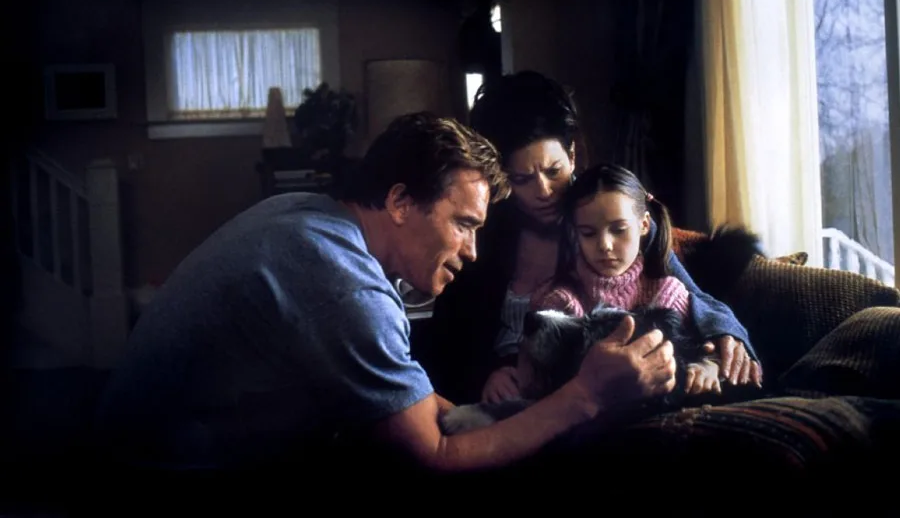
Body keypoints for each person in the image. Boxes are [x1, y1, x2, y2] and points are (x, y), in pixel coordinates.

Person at [90, 112, 678, 495]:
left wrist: (495, 413)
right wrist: (586, 395)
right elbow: (437, 455)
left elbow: (418, 405)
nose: (472, 251)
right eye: (463, 224)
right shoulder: (344, 283)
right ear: (400, 202)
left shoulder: (307, 216)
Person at [424, 71, 762, 406]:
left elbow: (688, 293)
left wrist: (726, 332)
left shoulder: (610, 213)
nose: (544, 191)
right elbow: (451, 341)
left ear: (572, 156)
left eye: (554, 171)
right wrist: (489, 374)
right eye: (522, 179)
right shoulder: (479, 232)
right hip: (504, 399)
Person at [529, 162, 723, 396]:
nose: (605, 245)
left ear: (644, 225)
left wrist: (709, 366)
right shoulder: (560, 302)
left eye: (619, 230)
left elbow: (705, 351)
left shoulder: (668, 294)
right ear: (574, 233)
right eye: (588, 233)